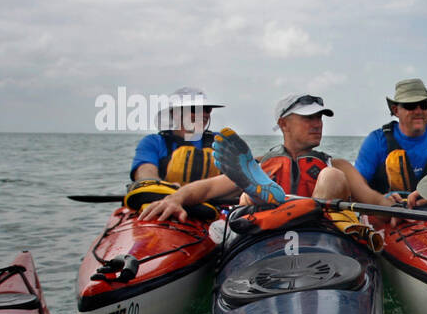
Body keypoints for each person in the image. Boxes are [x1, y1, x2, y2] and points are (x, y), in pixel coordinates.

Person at [138, 92, 392, 222]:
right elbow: (208, 188)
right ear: (284, 124)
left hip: (324, 244)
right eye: (308, 118)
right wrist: (176, 198)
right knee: (246, 195)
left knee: (331, 176)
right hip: (269, 245)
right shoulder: (262, 165)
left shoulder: (337, 165)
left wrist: (396, 208)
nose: (317, 124)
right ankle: (262, 202)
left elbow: (373, 200)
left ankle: (299, 211)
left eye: (319, 118)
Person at [354, 78, 427, 206]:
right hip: (389, 215)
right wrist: (382, 200)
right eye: (410, 106)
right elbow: (356, 188)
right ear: (396, 110)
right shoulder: (376, 141)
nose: (419, 111)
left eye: (424, 104)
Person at [130, 87, 224, 183]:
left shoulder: (221, 141)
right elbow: (145, 172)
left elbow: (238, 171)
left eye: (207, 109)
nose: (203, 114)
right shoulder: (154, 142)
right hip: (166, 196)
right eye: (195, 109)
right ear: (175, 113)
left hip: (215, 197)